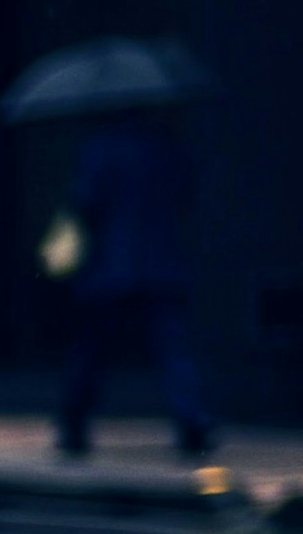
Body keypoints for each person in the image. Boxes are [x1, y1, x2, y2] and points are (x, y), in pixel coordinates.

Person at [49, 109, 211, 458]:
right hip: (161, 262)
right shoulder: (167, 145)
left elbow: (85, 201)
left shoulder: (100, 147)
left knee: (91, 350)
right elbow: (186, 193)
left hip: (111, 265)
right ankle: (193, 420)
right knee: (172, 349)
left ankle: (74, 425)